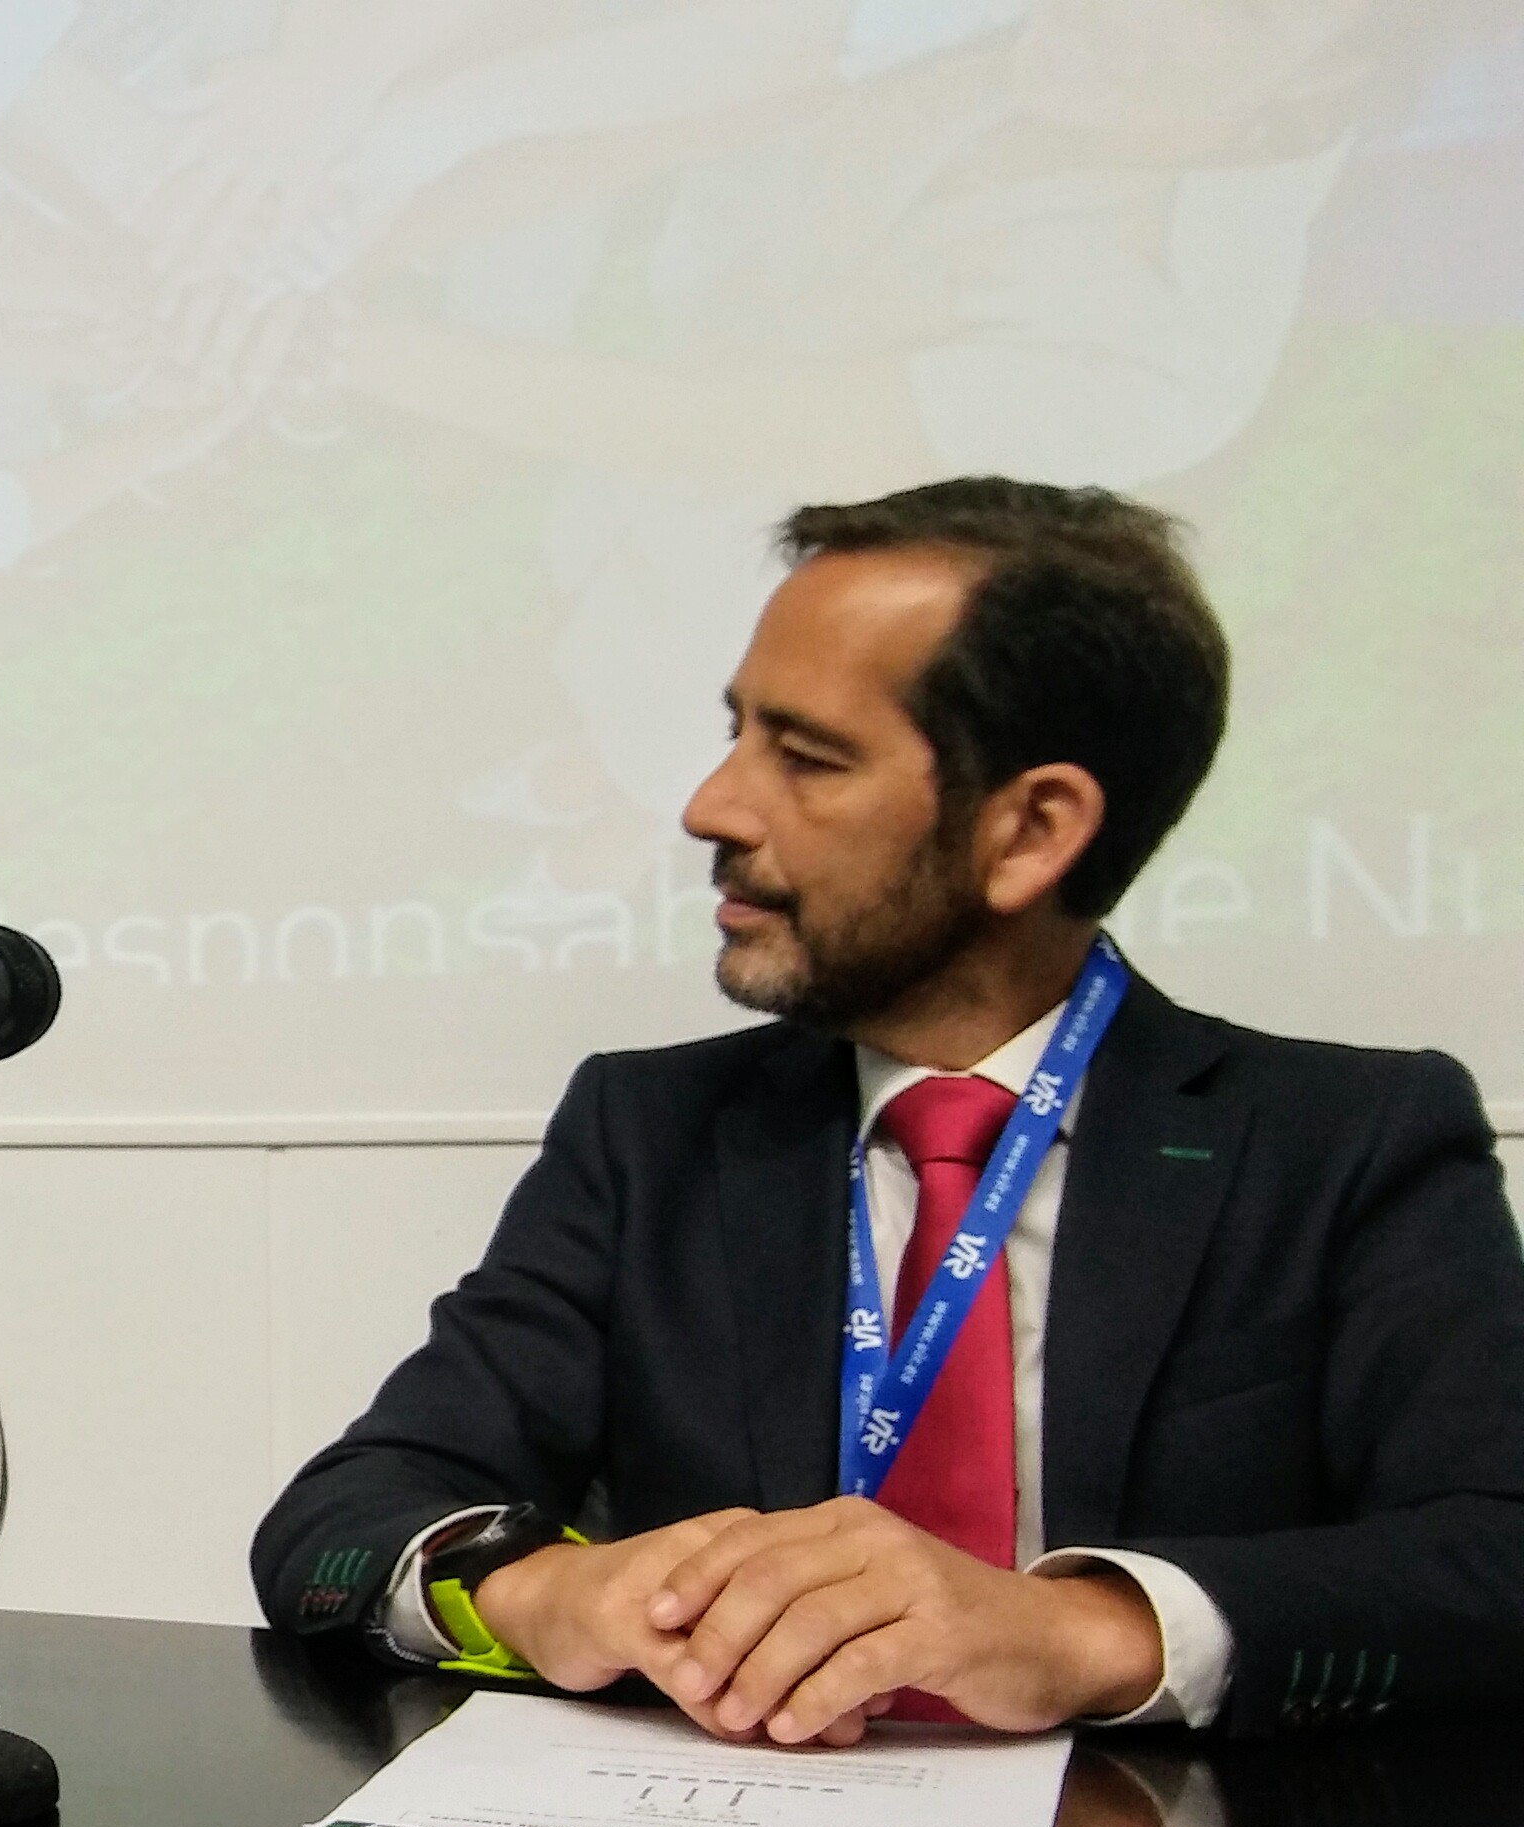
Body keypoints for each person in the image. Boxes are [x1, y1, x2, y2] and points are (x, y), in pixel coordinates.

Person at [252, 477, 1524, 1739]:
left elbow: (1492, 1555)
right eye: (734, 730)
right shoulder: (650, 1132)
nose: (711, 805)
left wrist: (1083, 1632)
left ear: (1029, 830)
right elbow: (342, 1517)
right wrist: (540, 1589)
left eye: (803, 757)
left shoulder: (1343, 1141)